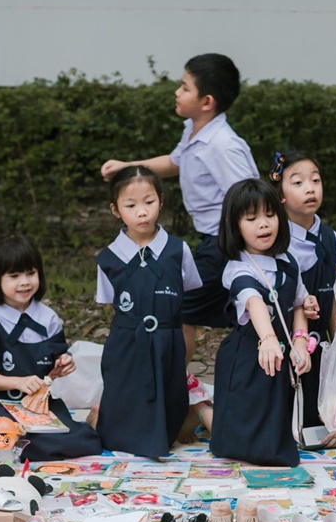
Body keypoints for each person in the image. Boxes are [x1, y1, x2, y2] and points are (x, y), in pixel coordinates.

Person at [100, 53, 259, 371]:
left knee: (181, 307)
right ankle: (177, 383)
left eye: (185, 87)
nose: (177, 92)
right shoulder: (194, 130)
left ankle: (175, 384)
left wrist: (248, 248)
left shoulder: (222, 145)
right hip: (211, 239)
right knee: (186, 307)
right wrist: (129, 166)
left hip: (225, 242)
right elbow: (175, 162)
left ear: (207, 101)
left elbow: (250, 198)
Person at [95, 166, 202, 458]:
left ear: (162, 201)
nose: (141, 212)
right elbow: (110, 304)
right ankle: (119, 435)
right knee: (124, 394)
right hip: (127, 342)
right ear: (116, 210)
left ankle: (165, 435)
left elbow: (188, 288)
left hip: (168, 339)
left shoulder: (178, 250)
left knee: (169, 395)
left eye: (149, 202)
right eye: (130, 205)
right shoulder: (108, 259)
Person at [0, 234, 101, 461]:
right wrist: (18, 382)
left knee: (80, 442)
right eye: (14, 276)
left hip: (40, 405)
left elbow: (56, 359)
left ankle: (87, 426)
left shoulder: (48, 318)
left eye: (31, 273)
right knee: (19, 443)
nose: (25, 282)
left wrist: (65, 363)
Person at [210, 179, 310, 467]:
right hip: (247, 357)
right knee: (235, 439)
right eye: (251, 218)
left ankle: (207, 412)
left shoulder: (289, 260)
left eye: (269, 215)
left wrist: (300, 341)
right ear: (234, 224)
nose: (263, 225)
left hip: (281, 357)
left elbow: (299, 303)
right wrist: (267, 339)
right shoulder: (237, 268)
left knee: (274, 437)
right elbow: (254, 301)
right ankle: (204, 412)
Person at [270, 150, 336, 431]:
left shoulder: (332, 239)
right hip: (282, 341)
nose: (310, 188)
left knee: (317, 415)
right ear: (280, 194)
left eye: (315, 180)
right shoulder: (275, 240)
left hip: (320, 342)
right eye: (298, 182)